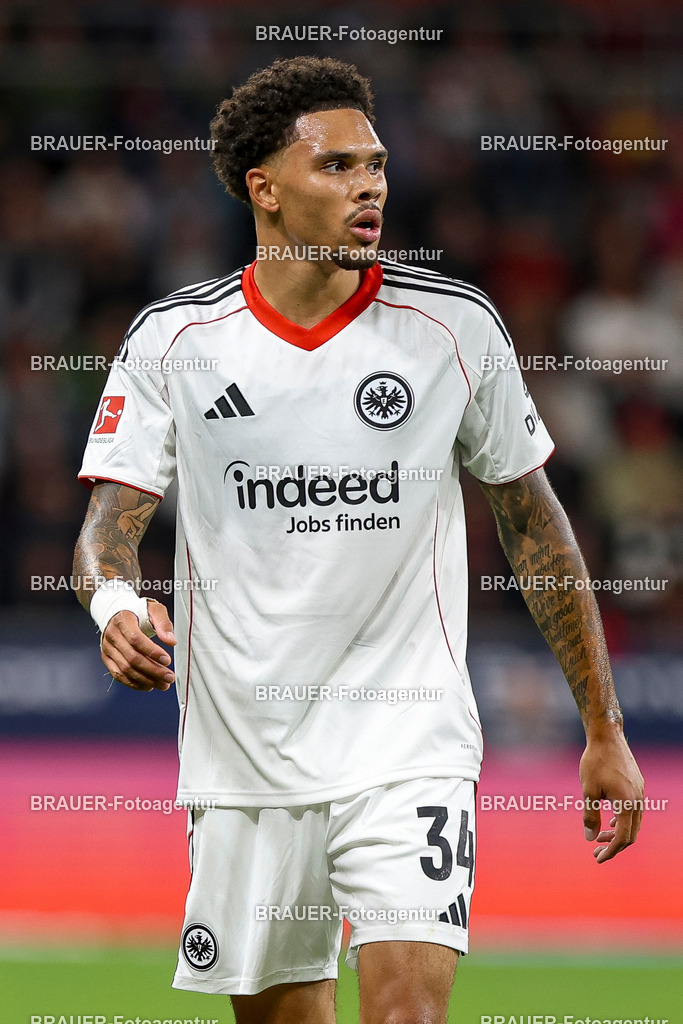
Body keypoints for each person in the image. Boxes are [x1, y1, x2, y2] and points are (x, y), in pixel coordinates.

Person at [73, 56, 644, 1024]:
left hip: (407, 738)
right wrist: (117, 603)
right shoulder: (175, 339)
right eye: (335, 166)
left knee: (405, 1016)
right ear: (263, 187)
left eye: (375, 164)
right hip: (243, 752)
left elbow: (532, 523)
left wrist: (603, 728)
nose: (369, 184)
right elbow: (105, 531)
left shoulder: (451, 325)